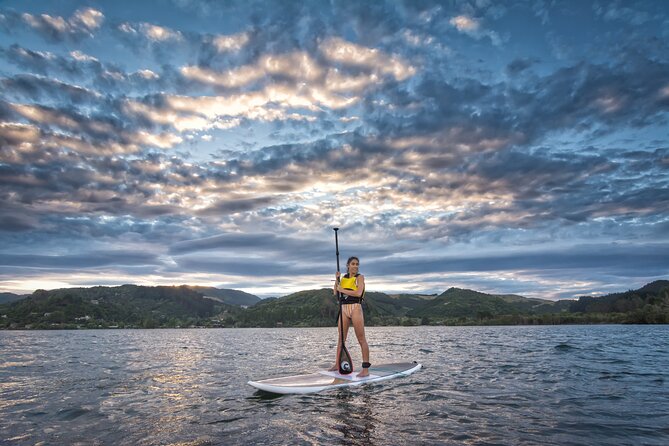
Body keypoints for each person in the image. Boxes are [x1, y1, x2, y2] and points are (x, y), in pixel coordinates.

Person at [331, 256, 371, 377]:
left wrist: (342, 289)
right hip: (343, 308)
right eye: (353, 264)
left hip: (355, 308)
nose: (355, 266)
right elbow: (335, 292)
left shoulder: (360, 277)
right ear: (348, 265)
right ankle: (337, 364)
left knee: (361, 339)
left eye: (357, 264)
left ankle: (365, 369)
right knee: (341, 339)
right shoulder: (343, 278)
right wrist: (337, 279)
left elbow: (358, 292)